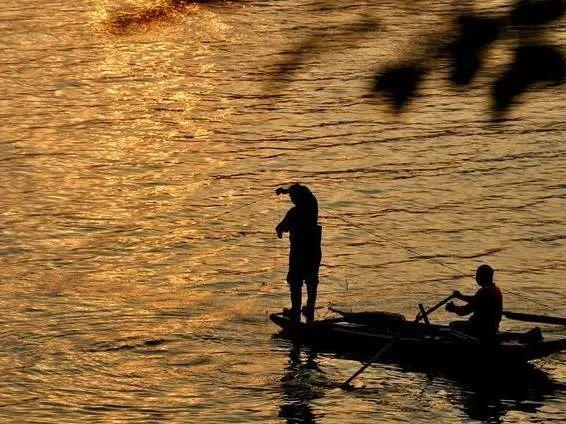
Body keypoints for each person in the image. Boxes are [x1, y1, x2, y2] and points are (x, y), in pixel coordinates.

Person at [275, 184, 322, 324]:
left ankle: (295, 310)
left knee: (295, 280)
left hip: (299, 252)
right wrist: (285, 191)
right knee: (311, 280)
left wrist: (278, 230)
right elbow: (305, 193)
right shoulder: (313, 208)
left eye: (291, 196)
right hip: (314, 251)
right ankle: (310, 308)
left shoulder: (293, 213)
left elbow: (281, 227)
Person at [445, 264, 503, 342]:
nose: (476, 278)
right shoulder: (496, 290)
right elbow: (475, 300)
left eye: (477, 275)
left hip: (479, 330)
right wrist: (460, 296)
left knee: (453, 325)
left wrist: (454, 308)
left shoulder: (484, 292)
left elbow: (465, 311)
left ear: (482, 277)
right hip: (492, 329)